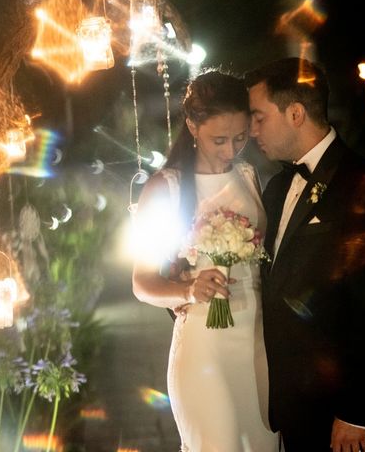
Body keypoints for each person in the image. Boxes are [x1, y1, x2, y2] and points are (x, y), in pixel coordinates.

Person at [245, 57, 365, 452]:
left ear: (296, 113)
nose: (252, 130)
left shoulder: (364, 185)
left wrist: (357, 413)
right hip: (289, 397)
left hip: (338, 405)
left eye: (259, 117)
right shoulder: (276, 187)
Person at [132, 69, 279, 451]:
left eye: (240, 138)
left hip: (259, 343)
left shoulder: (247, 176)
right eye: (219, 139)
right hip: (204, 345)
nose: (231, 150)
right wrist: (189, 288)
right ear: (192, 125)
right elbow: (142, 283)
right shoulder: (165, 188)